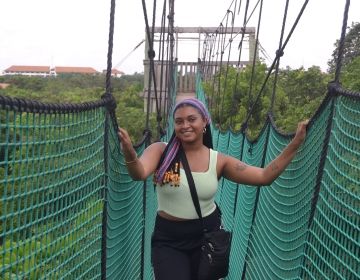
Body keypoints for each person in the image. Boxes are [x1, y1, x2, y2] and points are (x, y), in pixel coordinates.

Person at [118, 98, 308, 280]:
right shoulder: (161, 151)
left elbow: (264, 177)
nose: (185, 125)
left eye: (192, 119)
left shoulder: (219, 161)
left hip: (206, 237)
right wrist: (129, 152)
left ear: (205, 122)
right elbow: (139, 174)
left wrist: (296, 143)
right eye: (179, 121)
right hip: (168, 239)